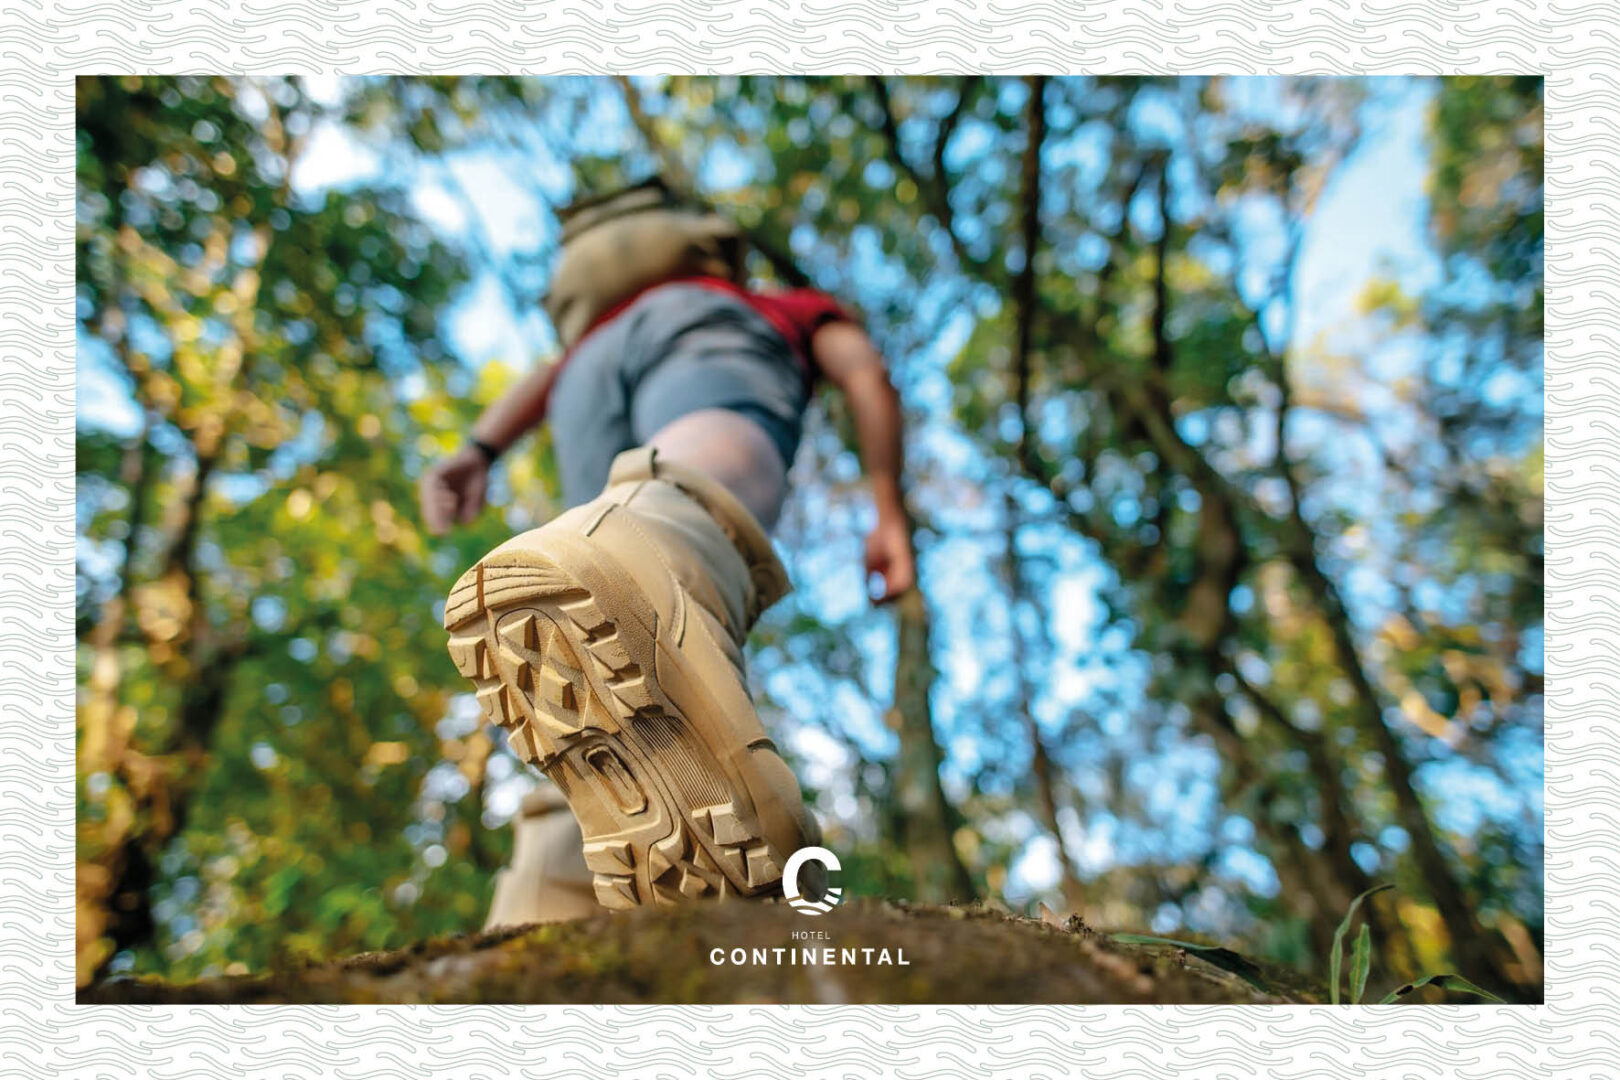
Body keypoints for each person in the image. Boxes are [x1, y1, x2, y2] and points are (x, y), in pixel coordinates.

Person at [419, 179, 914, 924]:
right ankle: (659, 549)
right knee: (675, 506)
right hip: (702, 331)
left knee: (593, 568)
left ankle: (547, 892)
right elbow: (865, 373)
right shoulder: (773, 303)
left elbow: (545, 377)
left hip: (581, 383)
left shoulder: (587, 335)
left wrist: (478, 448)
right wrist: (888, 507)